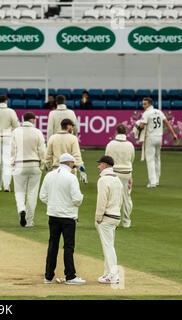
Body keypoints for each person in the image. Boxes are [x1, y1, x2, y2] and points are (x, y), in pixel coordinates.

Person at [40, 153, 85, 285]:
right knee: (69, 246)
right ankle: (70, 276)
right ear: (69, 163)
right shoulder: (71, 178)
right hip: (68, 216)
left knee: (53, 245)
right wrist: (78, 200)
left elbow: (43, 196)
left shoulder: (49, 175)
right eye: (72, 164)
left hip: (53, 215)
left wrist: (54, 203)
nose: (73, 167)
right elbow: (77, 199)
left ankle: (48, 276)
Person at [11, 112, 46, 228]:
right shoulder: (37, 132)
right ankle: (29, 221)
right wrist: (42, 164)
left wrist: (12, 164)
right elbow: (42, 150)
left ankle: (21, 210)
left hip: (20, 165)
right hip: (34, 164)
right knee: (32, 193)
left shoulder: (16, 132)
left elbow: (12, 150)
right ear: (32, 120)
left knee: (19, 192)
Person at [136, 97, 177, 188]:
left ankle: (153, 182)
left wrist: (137, 130)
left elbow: (141, 126)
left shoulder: (146, 113)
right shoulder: (159, 112)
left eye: (145, 104)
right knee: (157, 159)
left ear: (150, 104)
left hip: (151, 138)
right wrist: (174, 134)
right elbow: (167, 123)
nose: (143, 106)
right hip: (159, 138)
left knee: (150, 160)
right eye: (143, 104)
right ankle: (157, 180)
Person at [95, 155, 123, 284]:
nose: (98, 167)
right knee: (108, 245)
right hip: (116, 216)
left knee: (108, 247)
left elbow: (102, 200)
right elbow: (121, 200)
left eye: (100, 164)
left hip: (107, 217)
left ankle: (113, 275)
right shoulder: (117, 179)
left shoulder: (103, 180)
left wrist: (98, 217)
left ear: (105, 165)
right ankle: (108, 273)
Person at [105, 124, 135, 228]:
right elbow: (131, 159)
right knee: (126, 198)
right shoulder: (130, 145)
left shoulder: (110, 144)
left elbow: (106, 159)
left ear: (116, 132)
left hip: (113, 173)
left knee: (114, 198)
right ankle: (126, 222)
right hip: (126, 173)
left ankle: (114, 221)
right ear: (125, 132)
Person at [45, 119, 87, 183]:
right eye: (72, 126)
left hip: (56, 170)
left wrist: (48, 170)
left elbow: (48, 156)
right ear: (68, 126)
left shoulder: (52, 138)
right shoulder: (73, 138)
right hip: (69, 171)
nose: (72, 128)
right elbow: (76, 156)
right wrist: (82, 171)